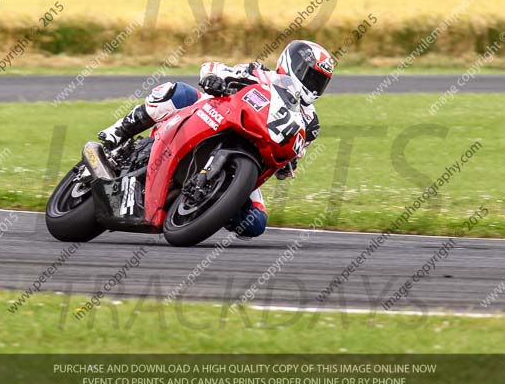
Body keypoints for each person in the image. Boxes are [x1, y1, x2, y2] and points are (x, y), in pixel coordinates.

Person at [98, 40, 336, 238]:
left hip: (251, 156)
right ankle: (118, 133)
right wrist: (215, 78)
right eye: (310, 75)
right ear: (291, 63)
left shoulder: (311, 123)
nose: (313, 84)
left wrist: (288, 164)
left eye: (319, 81)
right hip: (212, 118)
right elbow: (212, 67)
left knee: (256, 223)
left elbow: (296, 154)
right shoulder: (259, 73)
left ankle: (210, 207)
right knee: (178, 92)